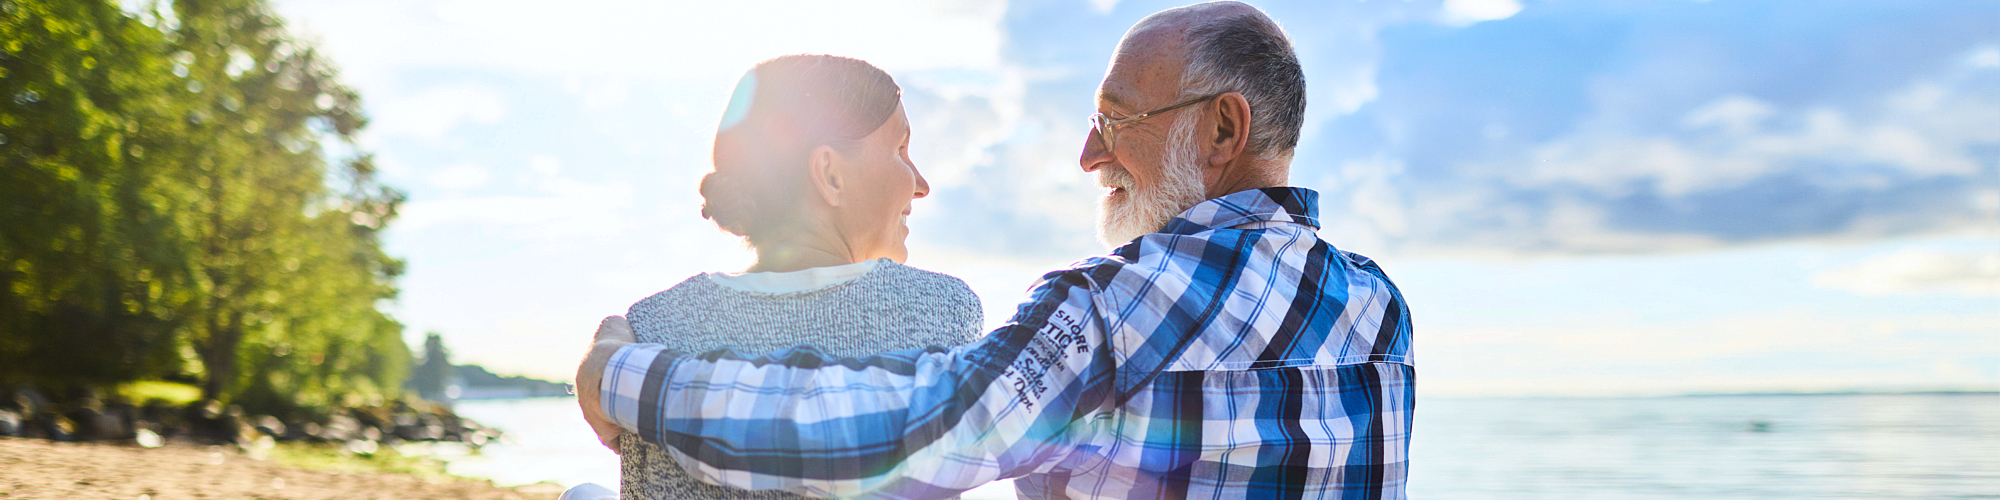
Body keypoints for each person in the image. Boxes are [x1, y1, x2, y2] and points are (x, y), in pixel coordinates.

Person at [577, 2, 1415, 498]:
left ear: (1224, 127)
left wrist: (625, 371)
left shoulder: (1118, 307)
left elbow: (894, 435)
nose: (1090, 155)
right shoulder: (1382, 310)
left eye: (1116, 120)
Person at [591, 55, 986, 500]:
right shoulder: (939, 309)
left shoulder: (648, 328)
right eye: (900, 150)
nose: (920, 183)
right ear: (830, 174)